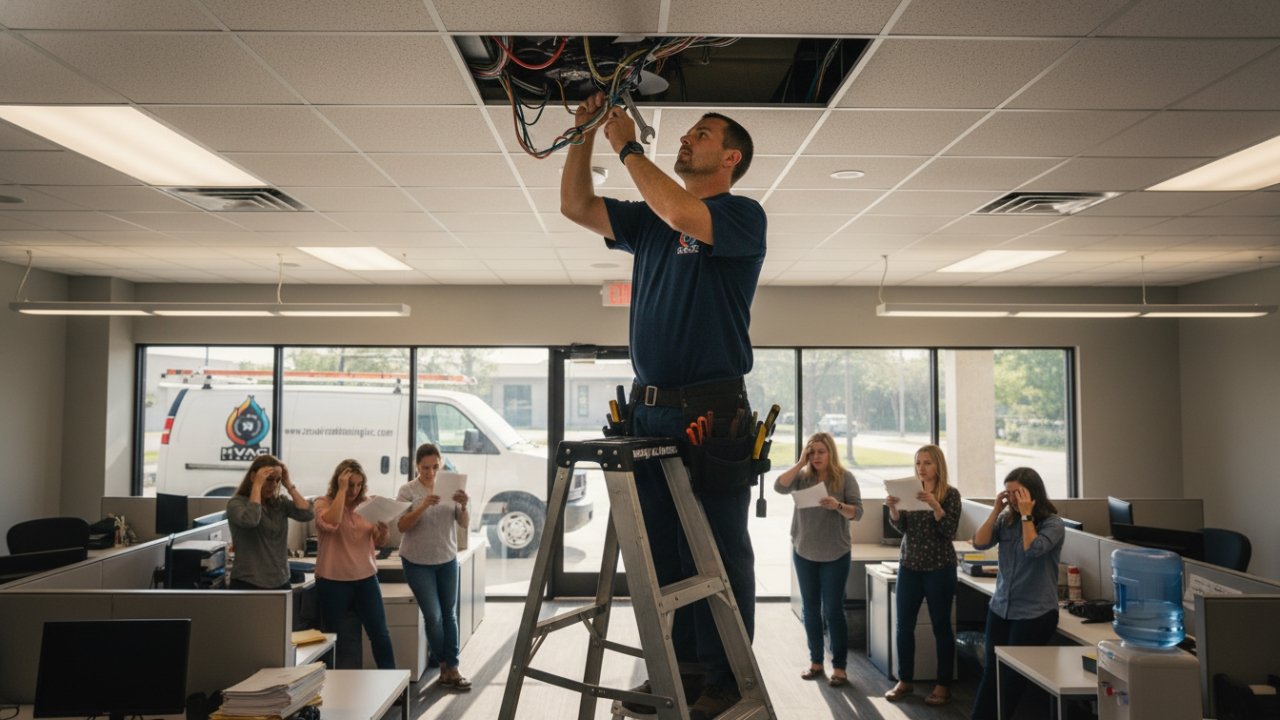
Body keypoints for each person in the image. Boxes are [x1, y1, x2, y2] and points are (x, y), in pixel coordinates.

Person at [560, 90, 764, 720]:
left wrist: (626, 144)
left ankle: (727, 679)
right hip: (648, 412)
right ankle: (679, 668)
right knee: (662, 554)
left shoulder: (739, 216)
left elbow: (680, 212)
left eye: (702, 134)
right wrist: (584, 131)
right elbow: (575, 205)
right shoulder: (649, 221)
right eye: (688, 132)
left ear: (730, 157)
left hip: (710, 413)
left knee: (718, 550)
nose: (687, 138)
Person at [969, 467, 1065, 720]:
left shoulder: (1053, 524)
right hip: (1001, 607)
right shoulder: (1005, 519)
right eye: (1008, 492)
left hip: (1034, 613)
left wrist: (1026, 516)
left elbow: (1033, 548)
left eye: (1016, 493)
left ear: (1031, 493)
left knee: (1012, 679)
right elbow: (979, 542)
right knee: (992, 671)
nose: (1011, 498)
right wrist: (995, 511)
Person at [773, 432, 863, 688]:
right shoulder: (802, 478)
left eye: (821, 452)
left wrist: (837, 505)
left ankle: (840, 667)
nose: (816, 457)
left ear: (831, 452)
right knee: (810, 610)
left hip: (836, 552)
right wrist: (800, 462)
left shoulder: (845, 478)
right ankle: (815, 662)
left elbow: (858, 513)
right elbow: (779, 487)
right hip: (804, 550)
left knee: (833, 610)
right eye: (812, 452)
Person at [884, 444, 961, 707]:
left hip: (940, 567)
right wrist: (894, 510)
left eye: (927, 463)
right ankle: (904, 680)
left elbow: (949, 530)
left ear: (938, 466)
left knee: (941, 626)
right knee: (904, 625)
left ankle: (943, 686)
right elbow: (902, 527)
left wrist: (936, 506)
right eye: (918, 463)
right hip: (910, 565)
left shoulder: (950, 495)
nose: (922, 468)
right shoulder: (911, 492)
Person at [397, 443, 472, 691]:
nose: (430, 472)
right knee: (434, 616)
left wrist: (463, 505)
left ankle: (454, 667)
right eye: (425, 468)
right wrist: (423, 505)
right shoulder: (407, 490)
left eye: (435, 467)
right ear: (417, 466)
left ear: (440, 463)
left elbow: (463, 523)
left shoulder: (450, 486)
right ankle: (442, 665)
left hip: (446, 557)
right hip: (417, 561)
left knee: (449, 613)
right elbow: (402, 526)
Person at [313, 458, 395, 670]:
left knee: (380, 634)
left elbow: (378, 541)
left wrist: (383, 531)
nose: (354, 490)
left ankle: (393, 684)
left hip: (366, 578)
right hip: (333, 581)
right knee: (337, 639)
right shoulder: (323, 503)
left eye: (358, 485)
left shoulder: (367, 505)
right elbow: (331, 522)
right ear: (339, 482)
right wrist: (341, 491)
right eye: (350, 485)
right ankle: (336, 688)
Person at [225, 454, 313, 590]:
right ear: (254, 477)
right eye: (269, 479)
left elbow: (307, 514)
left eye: (277, 480)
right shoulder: (236, 504)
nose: (273, 485)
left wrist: (288, 484)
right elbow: (251, 520)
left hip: (280, 579)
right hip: (248, 581)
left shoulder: (280, 503)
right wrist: (257, 485)